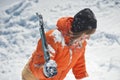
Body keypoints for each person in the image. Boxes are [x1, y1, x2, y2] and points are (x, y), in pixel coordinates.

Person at [22, 8, 97, 80]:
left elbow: (79, 59)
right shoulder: (53, 39)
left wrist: (81, 75)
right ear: (79, 32)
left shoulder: (80, 42)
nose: (88, 38)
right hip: (34, 77)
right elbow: (36, 66)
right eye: (86, 34)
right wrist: (44, 72)